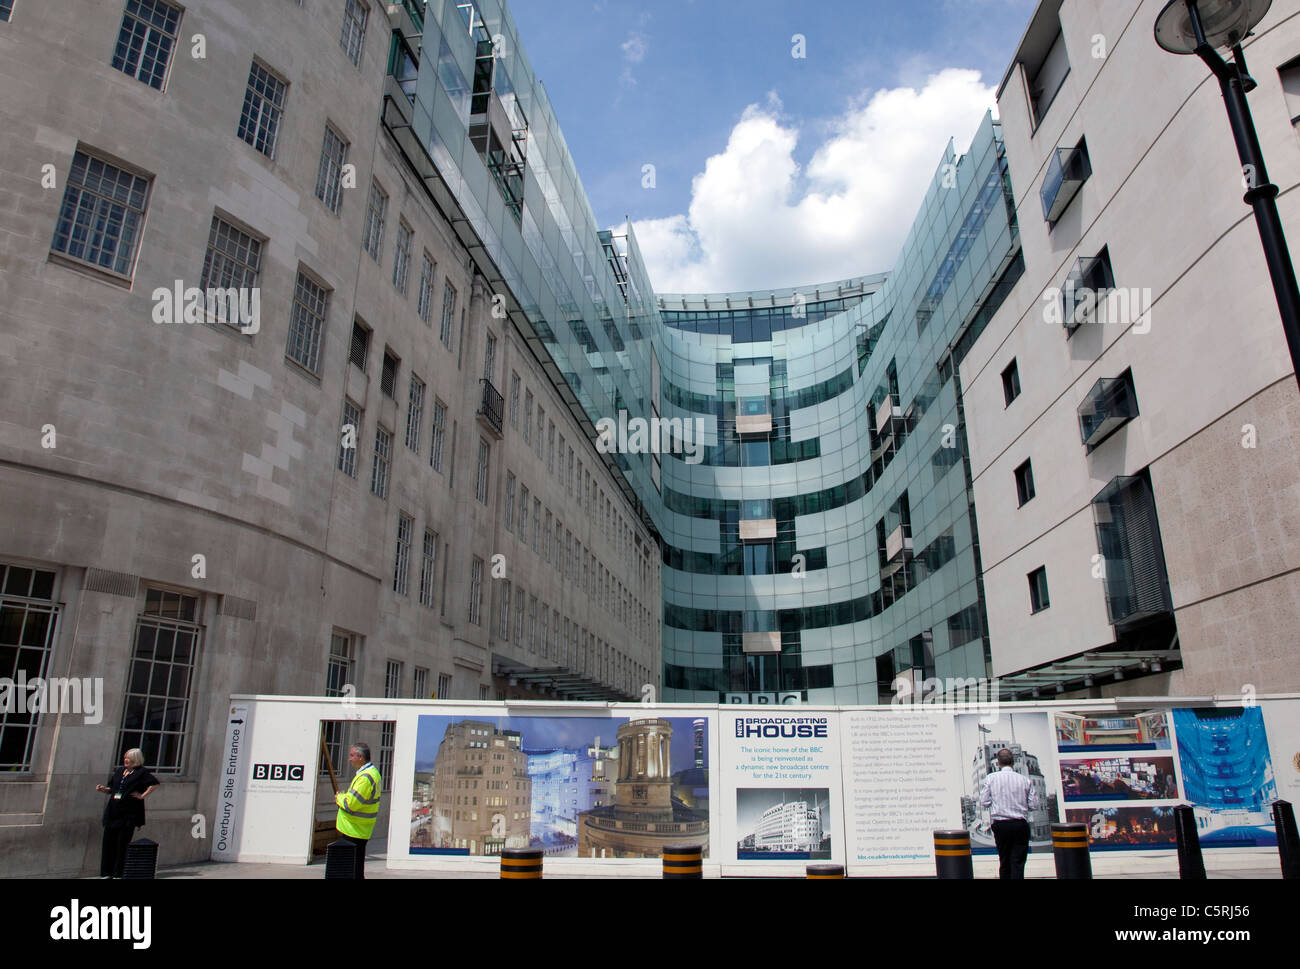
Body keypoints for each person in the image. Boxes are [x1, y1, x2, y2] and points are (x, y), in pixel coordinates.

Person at [95, 748, 160, 878]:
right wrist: (104, 789)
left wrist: (142, 795)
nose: (126, 760)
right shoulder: (120, 771)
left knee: (122, 843)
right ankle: (107, 872)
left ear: (136, 759)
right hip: (113, 811)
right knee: (108, 842)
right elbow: (112, 788)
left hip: (128, 813)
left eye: (129, 758)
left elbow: (154, 784)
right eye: (125, 757)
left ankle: (118, 872)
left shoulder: (141, 773)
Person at [979, 748, 1039, 879]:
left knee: (1004, 861)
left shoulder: (991, 778)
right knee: (1017, 863)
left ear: (998, 763)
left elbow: (984, 801)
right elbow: (1034, 805)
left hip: (1001, 825)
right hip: (1019, 824)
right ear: (1013, 762)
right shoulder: (1025, 780)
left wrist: (996, 803)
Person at [335, 743, 382, 879]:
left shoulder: (366, 777)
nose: (349, 759)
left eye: (351, 755)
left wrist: (339, 797)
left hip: (354, 829)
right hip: (358, 829)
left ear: (360, 757)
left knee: (352, 871)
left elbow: (352, 803)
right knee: (355, 870)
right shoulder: (370, 773)